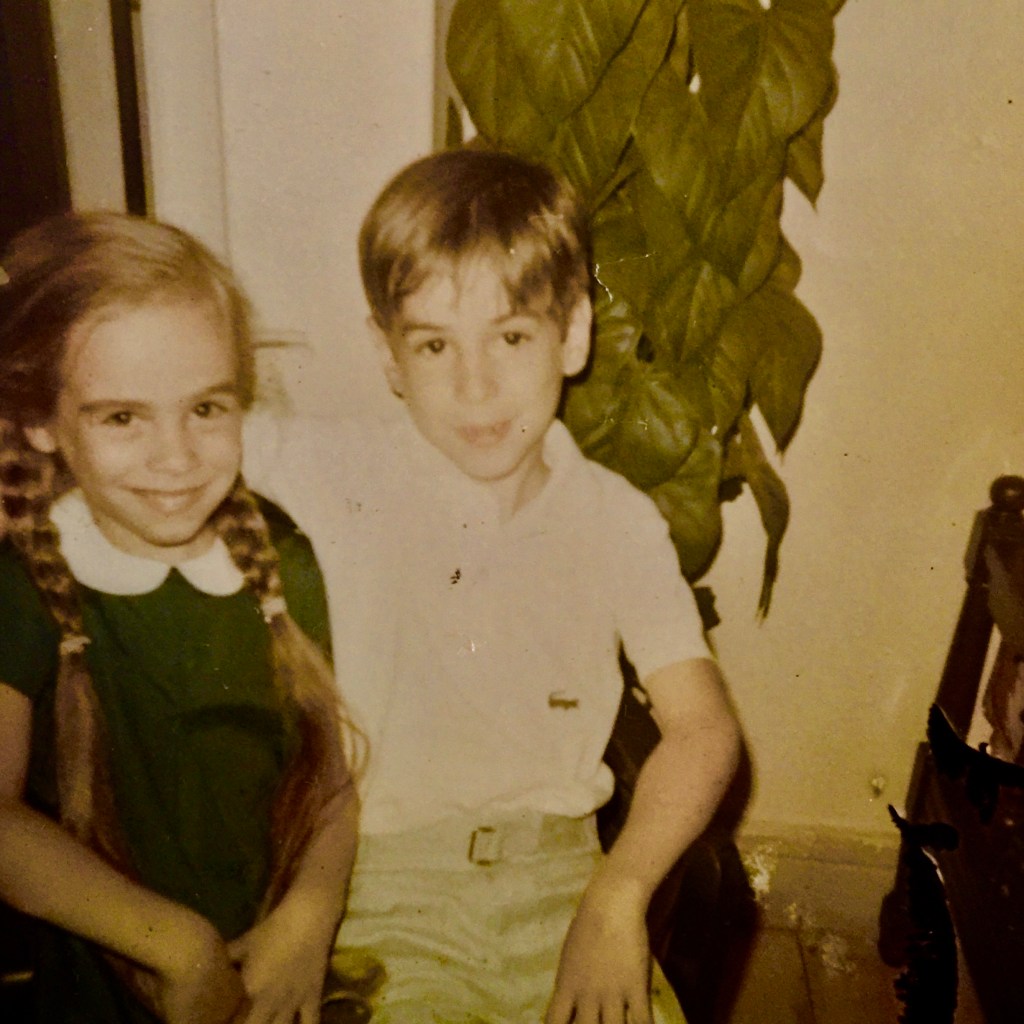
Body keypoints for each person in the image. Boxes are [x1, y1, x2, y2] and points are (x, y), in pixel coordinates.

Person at [246, 147, 742, 1024]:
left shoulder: (617, 520)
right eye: (434, 344)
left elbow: (703, 730)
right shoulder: (337, 469)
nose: (474, 387)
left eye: (511, 337)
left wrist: (618, 897)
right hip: (382, 892)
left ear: (574, 332)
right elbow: (163, 427)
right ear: (387, 353)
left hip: (567, 887)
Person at [0, 212, 360, 1024]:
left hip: (274, 984)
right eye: (122, 417)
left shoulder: (283, 561)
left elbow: (332, 789)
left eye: (205, 409)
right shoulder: (24, 585)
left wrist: (310, 918)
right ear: (41, 419)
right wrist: (181, 949)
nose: (176, 458)